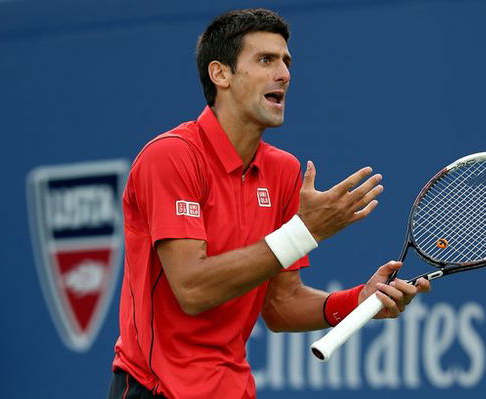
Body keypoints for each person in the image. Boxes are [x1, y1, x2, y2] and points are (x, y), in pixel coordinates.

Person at [107, 8, 430, 399]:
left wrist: (358, 301)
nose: (284, 74)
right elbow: (192, 290)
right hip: (155, 389)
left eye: (286, 61)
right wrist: (305, 232)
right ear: (220, 74)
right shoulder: (171, 157)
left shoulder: (282, 170)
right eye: (265, 60)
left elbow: (280, 305)